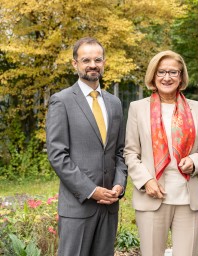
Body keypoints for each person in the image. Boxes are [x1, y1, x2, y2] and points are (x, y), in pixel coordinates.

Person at [124, 50, 198, 256]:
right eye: (161, 72)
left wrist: (194, 160)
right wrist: (146, 181)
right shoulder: (137, 108)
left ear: (181, 77)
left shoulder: (196, 108)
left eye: (173, 72)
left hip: (188, 198)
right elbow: (130, 153)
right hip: (152, 196)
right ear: (153, 76)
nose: (167, 77)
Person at [46, 37, 128, 256]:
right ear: (75, 64)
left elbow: (120, 152)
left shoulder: (114, 103)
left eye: (97, 59)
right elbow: (57, 155)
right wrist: (92, 191)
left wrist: (119, 184)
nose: (93, 64)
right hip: (78, 207)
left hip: (109, 205)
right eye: (86, 60)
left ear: (104, 62)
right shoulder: (61, 101)